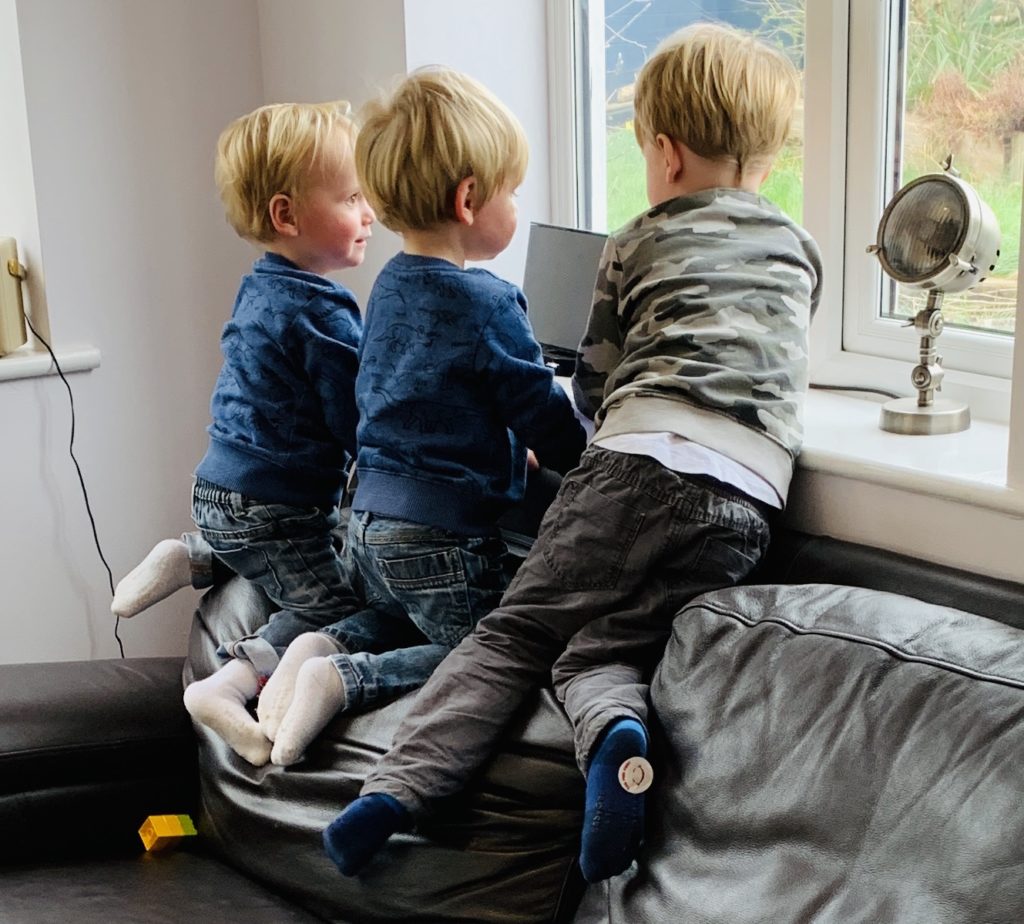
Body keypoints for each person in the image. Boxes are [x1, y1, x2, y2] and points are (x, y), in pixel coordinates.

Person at [322, 22, 823, 884]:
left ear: (664, 155)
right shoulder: (798, 251)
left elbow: (596, 381)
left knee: (516, 634)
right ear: (767, 161)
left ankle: (393, 793)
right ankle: (619, 747)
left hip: (637, 464)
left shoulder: (636, 239)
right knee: (606, 649)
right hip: (751, 499)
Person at [263, 66, 587, 768]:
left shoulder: (386, 287)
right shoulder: (489, 302)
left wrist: (502, 455)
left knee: (397, 615)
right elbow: (540, 410)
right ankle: (347, 677)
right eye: (514, 192)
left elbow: (416, 401)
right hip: (438, 536)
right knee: (494, 647)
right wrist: (587, 455)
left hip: (366, 524)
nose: (516, 205)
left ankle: (325, 643)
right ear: (470, 199)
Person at [131, 100, 375, 766]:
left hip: (218, 491)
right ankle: (228, 684)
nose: (369, 214)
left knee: (274, 545)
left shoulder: (259, 288)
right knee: (332, 599)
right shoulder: (324, 312)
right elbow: (358, 421)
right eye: (352, 197)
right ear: (286, 215)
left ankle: (193, 554)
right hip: (274, 507)